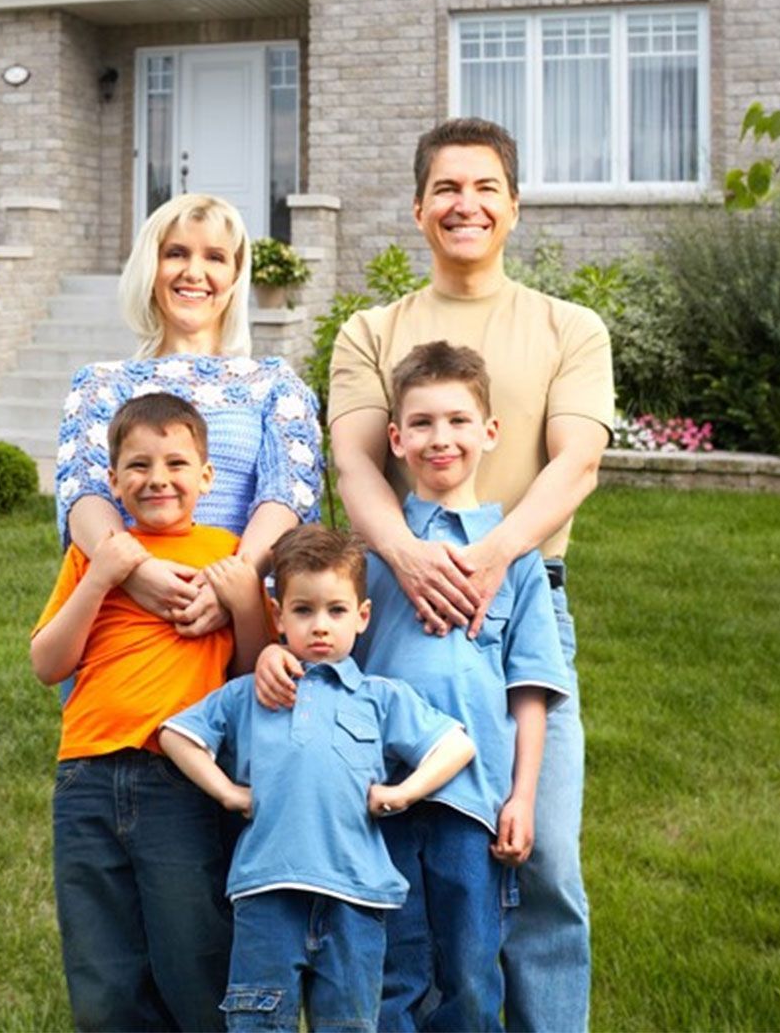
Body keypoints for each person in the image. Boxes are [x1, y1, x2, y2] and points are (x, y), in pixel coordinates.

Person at [258, 118, 612, 1031]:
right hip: (392, 616)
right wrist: (410, 559)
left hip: (521, 605)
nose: (467, 204)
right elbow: (355, 465)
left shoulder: (569, 328)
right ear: (419, 208)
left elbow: (574, 463)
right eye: (448, 188)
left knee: (541, 862)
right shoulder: (371, 331)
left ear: (514, 206)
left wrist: (493, 559)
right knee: (395, 849)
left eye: (486, 187)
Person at [159, 525, 474, 1033]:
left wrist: (402, 792)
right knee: (256, 1023)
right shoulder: (251, 694)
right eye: (303, 611)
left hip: (355, 897)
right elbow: (177, 735)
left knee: (348, 1025)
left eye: (336, 610)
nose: (320, 626)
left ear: (363, 617)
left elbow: (455, 746)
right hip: (267, 892)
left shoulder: (379, 698)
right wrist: (227, 792)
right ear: (278, 616)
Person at [351, 341, 572, 1032]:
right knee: (390, 973)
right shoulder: (371, 557)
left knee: (472, 978)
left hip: (475, 807)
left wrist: (524, 797)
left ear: (489, 432)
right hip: (379, 800)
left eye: (456, 420)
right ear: (395, 438)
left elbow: (528, 691)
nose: (439, 438)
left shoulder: (516, 559)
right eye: (420, 423)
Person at [31, 392, 268, 1032]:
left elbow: (251, 677)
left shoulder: (227, 552)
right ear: (111, 481)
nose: (157, 479)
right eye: (137, 466)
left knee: (193, 951)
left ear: (207, 476)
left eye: (175, 463)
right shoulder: (97, 557)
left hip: (182, 782)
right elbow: (47, 663)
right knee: (102, 964)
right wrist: (101, 578)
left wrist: (245, 602)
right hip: (86, 776)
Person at [56, 194, 323, 641]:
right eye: (176, 253)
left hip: (243, 623)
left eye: (215, 257)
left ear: (235, 276)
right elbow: (83, 492)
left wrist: (229, 587)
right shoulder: (101, 385)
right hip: (128, 619)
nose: (193, 272)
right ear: (150, 267)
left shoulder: (274, 384)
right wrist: (137, 572)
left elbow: (287, 494)